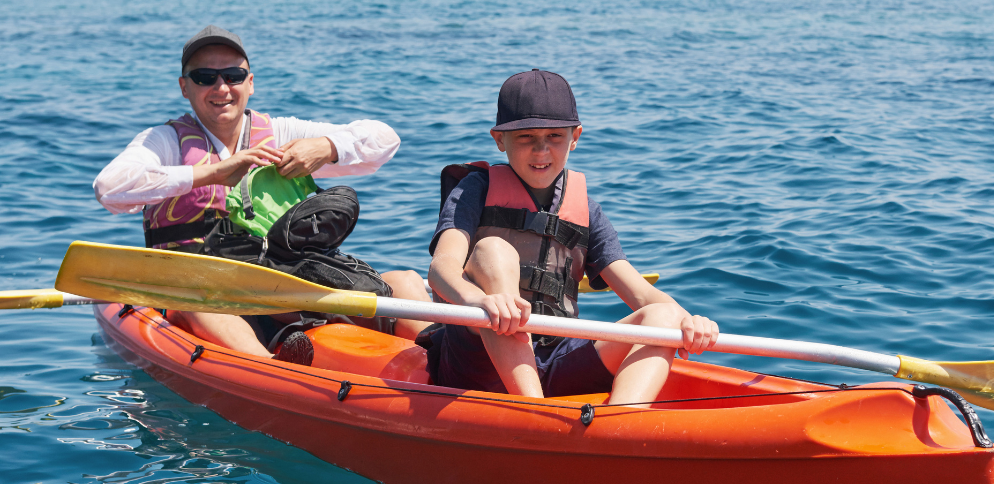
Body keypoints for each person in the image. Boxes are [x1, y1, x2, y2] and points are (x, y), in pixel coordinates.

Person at [94, 25, 431, 358]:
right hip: (204, 289)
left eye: (233, 76)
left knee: (403, 281)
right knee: (199, 301)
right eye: (204, 77)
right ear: (185, 87)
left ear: (250, 83)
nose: (221, 87)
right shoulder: (165, 141)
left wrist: (327, 147)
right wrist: (213, 173)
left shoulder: (283, 133)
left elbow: (385, 139)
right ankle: (275, 371)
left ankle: (446, 360)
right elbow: (110, 189)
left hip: (285, 281)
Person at [426, 70, 719, 406]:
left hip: (554, 357)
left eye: (554, 136)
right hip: (477, 359)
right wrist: (478, 301)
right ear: (499, 140)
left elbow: (643, 294)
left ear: (575, 136)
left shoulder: (586, 210)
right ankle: (534, 413)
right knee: (493, 250)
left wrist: (690, 320)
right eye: (525, 137)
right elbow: (442, 268)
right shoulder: (474, 191)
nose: (541, 150)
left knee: (664, 317)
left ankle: (619, 426)